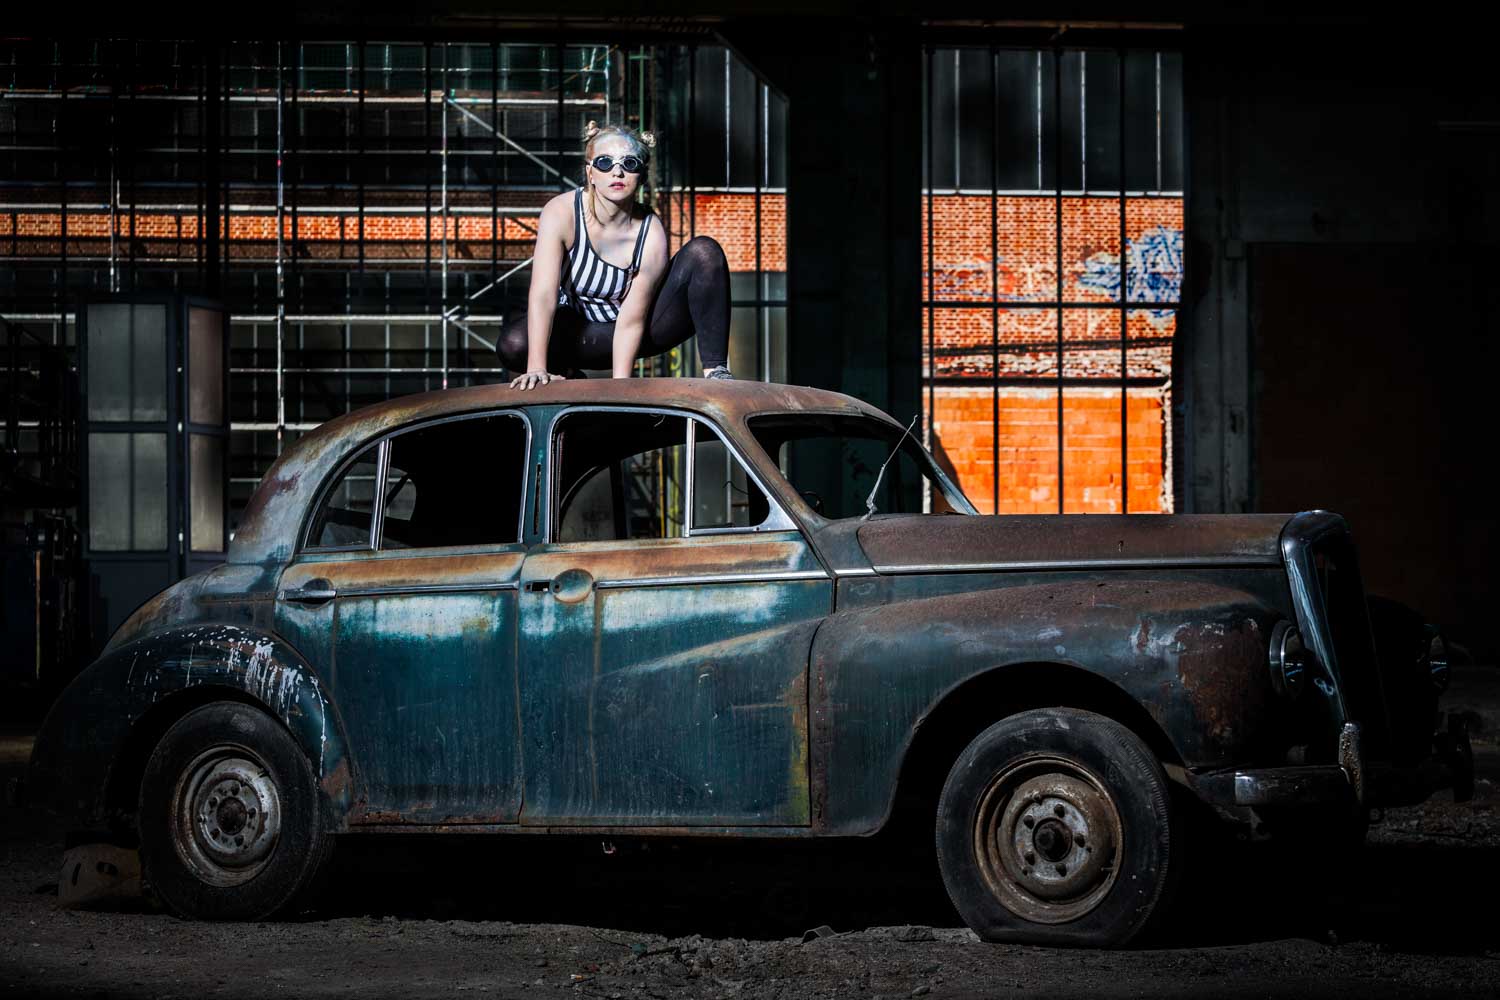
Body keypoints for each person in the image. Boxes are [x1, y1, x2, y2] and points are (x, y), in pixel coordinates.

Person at [501, 121, 733, 389]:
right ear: (590, 173)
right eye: (605, 163)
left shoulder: (651, 232)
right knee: (513, 343)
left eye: (630, 164)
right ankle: (566, 373)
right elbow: (543, 295)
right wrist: (537, 368)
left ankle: (716, 371)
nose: (618, 172)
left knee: (705, 251)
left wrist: (619, 389)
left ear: (642, 176)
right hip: (578, 335)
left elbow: (631, 320)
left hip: (635, 330)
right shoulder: (561, 212)